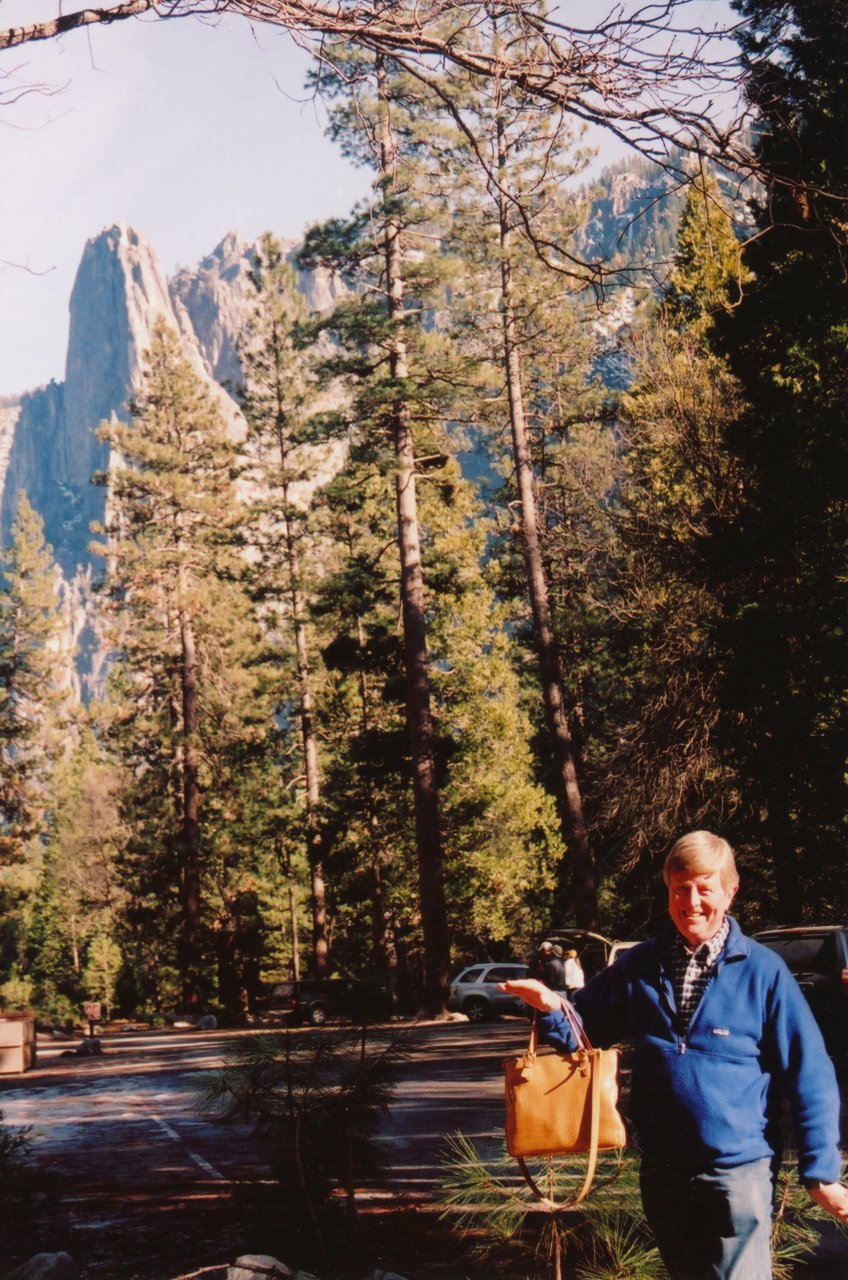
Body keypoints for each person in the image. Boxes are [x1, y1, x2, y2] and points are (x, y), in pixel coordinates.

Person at [500, 830, 848, 1280]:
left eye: (705, 888)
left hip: (737, 1172)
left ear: (730, 890)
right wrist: (550, 1005)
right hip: (664, 1173)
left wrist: (820, 1171)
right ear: (668, 890)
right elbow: (582, 1030)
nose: (693, 902)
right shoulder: (640, 964)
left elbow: (810, 1072)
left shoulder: (764, 972)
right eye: (681, 889)